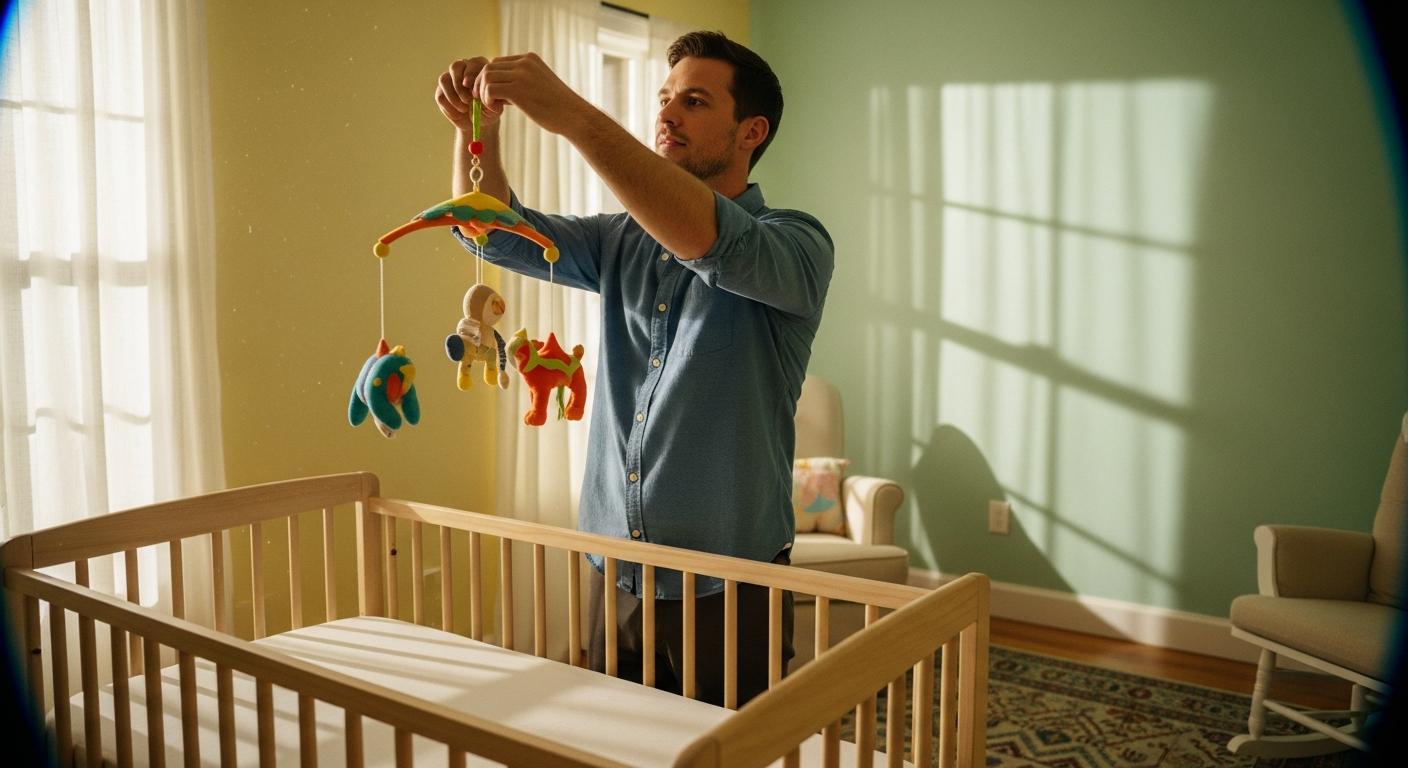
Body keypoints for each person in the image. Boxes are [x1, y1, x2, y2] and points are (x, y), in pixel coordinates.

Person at [434, 31, 833, 707]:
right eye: (665, 98)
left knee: (732, 753)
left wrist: (575, 117)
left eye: (696, 101)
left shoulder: (795, 245)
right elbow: (492, 233)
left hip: (728, 583)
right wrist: (481, 133)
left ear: (750, 132)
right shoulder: (620, 240)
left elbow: (709, 240)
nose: (668, 114)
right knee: (616, 743)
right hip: (616, 565)